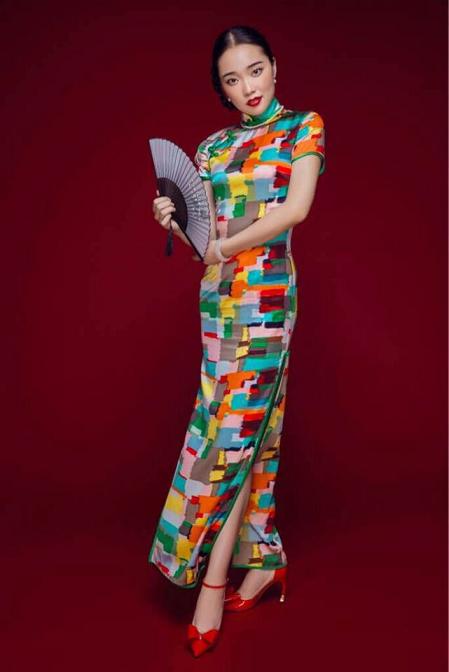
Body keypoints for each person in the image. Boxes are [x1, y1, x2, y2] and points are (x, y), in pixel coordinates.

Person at [148, 24, 326, 657]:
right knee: (249, 430)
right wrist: (172, 218)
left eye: (254, 70)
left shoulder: (303, 127)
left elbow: (295, 209)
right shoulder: (212, 147)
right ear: (221, 90)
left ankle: (212, 583)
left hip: (268, 297)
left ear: (274, 66)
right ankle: (266, 561)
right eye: (232, 79)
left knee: (235, 434)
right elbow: (203, 233)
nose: (247, 86)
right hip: (218, 302)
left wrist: (226, 247)